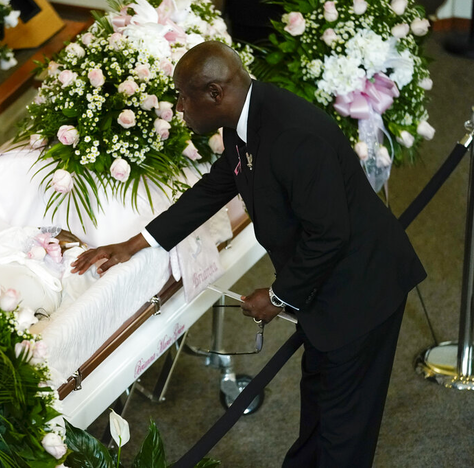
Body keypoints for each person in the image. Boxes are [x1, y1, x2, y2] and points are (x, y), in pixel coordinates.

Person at [71, 41, 427, 467]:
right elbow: (217, 186)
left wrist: (278, 297)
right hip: (327, 290)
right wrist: (136, 243)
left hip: (362, 291)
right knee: (319, 413)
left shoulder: (293, 136)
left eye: (184, 96)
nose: (178, 106)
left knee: (344, 435)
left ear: (215, 94)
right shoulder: (247, 117)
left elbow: (331, 235)